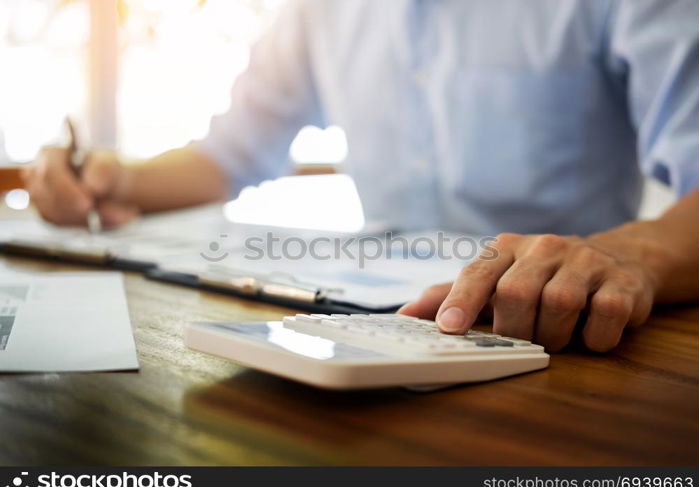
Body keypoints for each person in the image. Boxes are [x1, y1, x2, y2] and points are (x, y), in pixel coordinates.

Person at [23, 0, 699, 352]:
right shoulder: (317, 9)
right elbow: (226, 156)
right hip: (383, 329)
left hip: (569, 336)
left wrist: (625, 256)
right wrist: (113, 181)